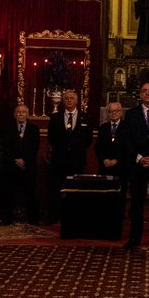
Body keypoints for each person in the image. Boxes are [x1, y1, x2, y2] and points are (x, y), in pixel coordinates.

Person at [118, 80, 149, 248]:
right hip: (137, 165)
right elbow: (126, 139)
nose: (148, 93)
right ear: (140, 94)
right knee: (137, 203)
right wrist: (139, 158)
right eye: (144, 90)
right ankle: (135, 238)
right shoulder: (131, 114)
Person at [47, 88, 94, 222]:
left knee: (75, 189)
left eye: (71, 98)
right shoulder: (55, 117)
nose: (69, 101)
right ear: (63, 100)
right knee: (56, 189)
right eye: (66, 98)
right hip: (59, 160)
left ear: (76, 101)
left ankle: (74, 217)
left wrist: (76, 149)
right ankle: (55, 216)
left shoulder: (85, 117)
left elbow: (88, 139)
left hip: (77, 160)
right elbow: (51, 137)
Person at [0, 101, 39, 224]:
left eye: (23, 112)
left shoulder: (34, 129)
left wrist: (24, 160)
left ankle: (32, 219)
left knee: (30, 193)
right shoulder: (7, 129)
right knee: (8, 193)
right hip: (11, 166)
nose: (21, 114)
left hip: (28, 166)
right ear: (14, 114)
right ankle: (6, 218)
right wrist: (15, 160)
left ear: (27, 115)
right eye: (18, 112)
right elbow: (5, 147)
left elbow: (34, 147)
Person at [97, 99, 126, 179]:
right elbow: (98, 147)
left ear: (120, 112)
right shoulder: (103, 128)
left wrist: (116, 160)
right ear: (108, 113)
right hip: (104, 167)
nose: (113, 113)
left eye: (116, 111)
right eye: (111, 111)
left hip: (121, 167)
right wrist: (104, 159)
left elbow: (127, 148)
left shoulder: (127, 127)